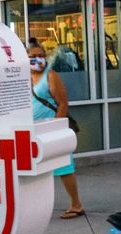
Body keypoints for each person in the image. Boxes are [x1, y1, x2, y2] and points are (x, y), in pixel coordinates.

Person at [28, 38, 84, 219]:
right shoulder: (24, 77)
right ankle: (38, 207)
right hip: (33, 131)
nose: (38, 59)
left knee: (64, 167)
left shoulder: (50, 76)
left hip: (52, 130)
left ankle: (76, 205)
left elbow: (62, 103)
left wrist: (57, 128)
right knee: (36, 170)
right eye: (33, 56)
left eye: (41, 56)